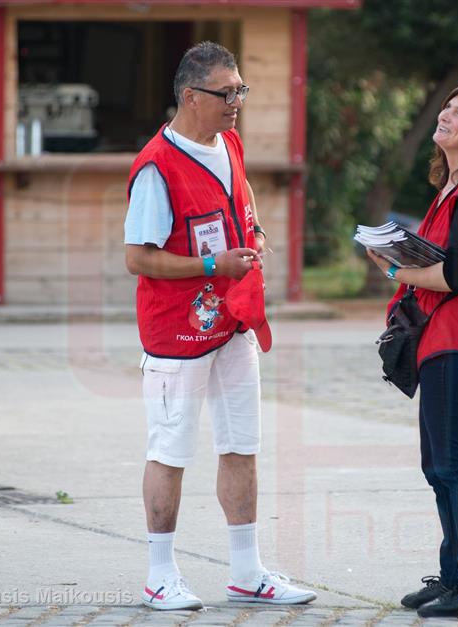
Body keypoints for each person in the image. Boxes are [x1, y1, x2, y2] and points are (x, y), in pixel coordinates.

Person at [124, 41, 316, 611]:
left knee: (241, 446)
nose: (236, 102)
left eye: (241, 90)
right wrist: (212, 264)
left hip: (233, 323)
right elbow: (138, 257)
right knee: (170, 452)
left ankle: (247, 571)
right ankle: (160, 574)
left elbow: (243, 193)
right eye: (226, 92)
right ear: (190, 96)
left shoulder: (227, 142)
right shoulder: (156, 166)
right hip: (175, 334)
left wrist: (252, 233)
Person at [365, 81, 458, 618]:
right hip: (447, 338)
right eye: (447, 108)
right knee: (440, 466)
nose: (447, 117)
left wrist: (391, 266)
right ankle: (455, 575)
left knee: (456, 466)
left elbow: (454, 273)